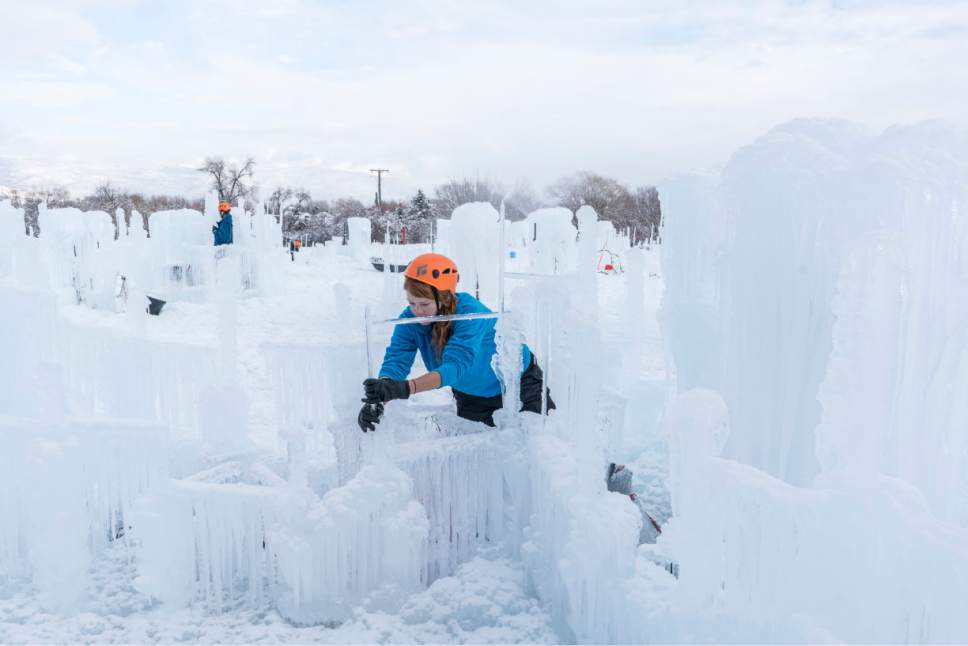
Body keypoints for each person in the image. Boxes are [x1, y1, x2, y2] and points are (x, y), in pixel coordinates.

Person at [358, 252, 553, 432]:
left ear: (444, 297)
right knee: (483, 455)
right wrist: (380, 396)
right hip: (471, 395)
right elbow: (396, 361)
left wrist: (406, 388)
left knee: (536, 442)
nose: (417, 310)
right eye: (411, 302)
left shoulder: (471, 313)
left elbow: (455, 366)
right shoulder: (410, 320)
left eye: (424, 304)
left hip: (520, 386)